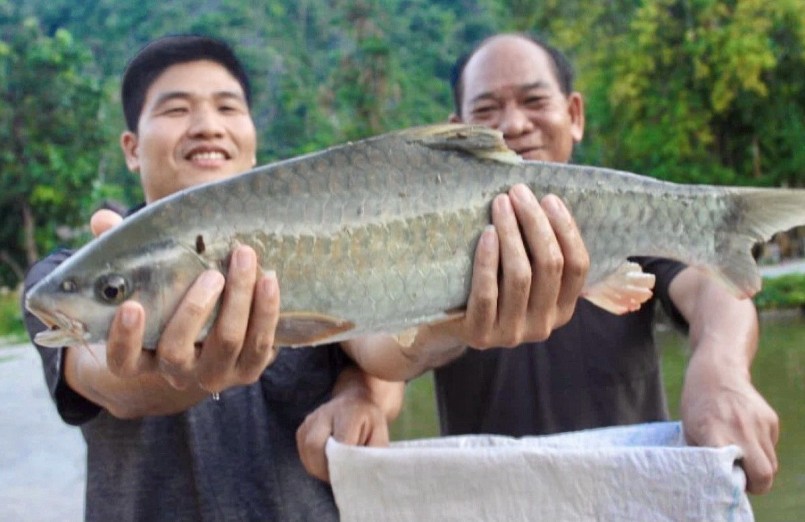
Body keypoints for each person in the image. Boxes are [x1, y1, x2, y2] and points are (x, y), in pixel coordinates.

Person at [318, 33, 779, 496]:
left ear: (574, 114)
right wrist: (358, 396)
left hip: (632, 493)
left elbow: (711, 290)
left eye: (534, 100)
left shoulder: (628, 216)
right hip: (491, 500)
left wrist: (722, 372)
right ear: (458, 131)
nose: (514, 123)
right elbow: (387, 351)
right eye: (487, 110)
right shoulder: (416, 229)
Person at [22, 34, 402, 521]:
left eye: (227, 107)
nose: (206, 127)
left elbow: (377, 341)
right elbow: (105, 381)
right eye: (176, 109)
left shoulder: (321, 239)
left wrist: (362, 394)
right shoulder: (63, 279)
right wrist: (160, 366)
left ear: (252, 141)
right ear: (132, 149)